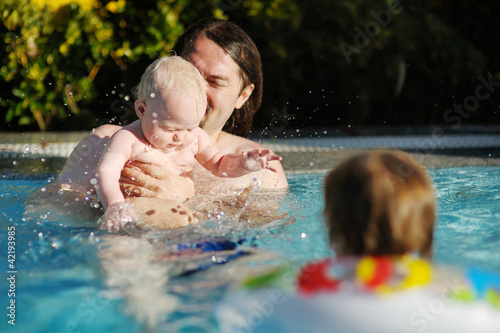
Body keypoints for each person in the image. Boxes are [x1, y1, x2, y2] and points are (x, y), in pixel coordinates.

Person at [26, 19, 288, 228]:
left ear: (244, 95)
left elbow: (259, 239)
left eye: (216, 82)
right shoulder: (105, 142)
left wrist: (185, 200)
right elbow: (45, 212)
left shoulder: (261, 171)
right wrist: (107, 202)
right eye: (190, 73)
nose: (196, 88)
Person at [97, 55, 281, 232]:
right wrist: (115, 205)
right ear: (142, 109)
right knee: (183, 223)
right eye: (169, 129)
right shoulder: (128, 138)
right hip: (137, 209)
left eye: (190, 128)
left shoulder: (196, 138)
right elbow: (106, 171)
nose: (180, 138)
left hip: (180, 212)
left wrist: (243, 164)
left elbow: (219, 165)